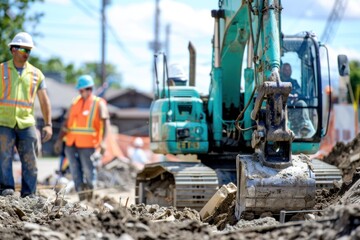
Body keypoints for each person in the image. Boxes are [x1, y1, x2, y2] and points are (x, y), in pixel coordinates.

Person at [0, 32, 53, 197]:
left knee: (31, 159)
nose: (27, 54)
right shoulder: (1, 70)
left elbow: (44, 101)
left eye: (29, 50)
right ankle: (5, 190)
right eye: (24, 50)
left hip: (26, 123)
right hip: (4, 121)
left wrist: (48, 124)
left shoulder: (37, 74)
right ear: (13, 49)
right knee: (4, 158)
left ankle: (29, 194)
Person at [54, 75, 110, 201]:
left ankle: (90, 196)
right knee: (75, 171)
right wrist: (59, 140)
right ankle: (82, 198)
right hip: (71, 143)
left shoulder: (98, 103)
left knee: (89, 171)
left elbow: (106, 123)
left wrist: (103, 142)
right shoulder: (75, 102)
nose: (80, 92)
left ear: (89, 89)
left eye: (81, 90)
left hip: (88, 144)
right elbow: (66, 123)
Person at [280, 62, 315, 138]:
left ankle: (304, 126)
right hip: (280, 109)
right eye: (285, 69)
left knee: (302, 103)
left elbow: (299, 93)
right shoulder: (278, 81)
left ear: (291, 71)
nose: (287, 71)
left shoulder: (294, 82)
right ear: (281, 70)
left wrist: (296, 95)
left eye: (289, 70)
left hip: (293, 109)